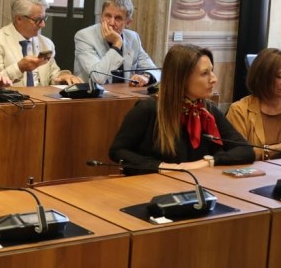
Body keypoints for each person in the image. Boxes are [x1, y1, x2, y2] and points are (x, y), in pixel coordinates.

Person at [109, 44, 255, 174]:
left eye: (212, 71)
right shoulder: (148, 109)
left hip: (198, 185)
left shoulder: (208, 110)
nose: (214, 78)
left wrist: (207, 161)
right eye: (205, 73)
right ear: (182, 78)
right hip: (154, 186)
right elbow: (118, 151)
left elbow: (245, 150)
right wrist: (162, 166)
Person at [0, 0, 83, 87]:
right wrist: (19, 68)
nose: (43, 25)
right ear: (19, 19)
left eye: (44, 18)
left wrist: (64, 77)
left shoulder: (46, 43)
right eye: (38, 20)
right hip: (10, 105)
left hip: (42, 103)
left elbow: (53, 76)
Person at [227, 48, 281, 160]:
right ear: (262, 77)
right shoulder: (239, 110)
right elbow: (237, 154)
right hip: (257, 175)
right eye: (280, 76)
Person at [74, 0, 159, 86]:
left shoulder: (133, 38)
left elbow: (156, 71)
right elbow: (98, 77)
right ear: (101, 17)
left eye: (118, 18)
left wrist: (146, 76)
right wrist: (117, 44)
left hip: (125, 96)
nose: (111, 23)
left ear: (128, 22)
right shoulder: (84, 36)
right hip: (92, 97)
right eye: (107, 16)